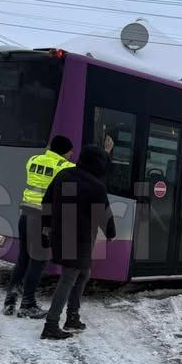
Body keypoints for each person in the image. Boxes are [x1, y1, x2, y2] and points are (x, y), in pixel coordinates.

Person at [40, 144, 115, 340]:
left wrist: (46, 224)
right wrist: (111, 233)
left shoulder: (64, 175)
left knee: (83, 273)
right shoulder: (95, 186)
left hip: (61, 234)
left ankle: (72, 316)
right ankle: (51, 324)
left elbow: (46, 201)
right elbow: (103, 215)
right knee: (69, 278)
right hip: (80, 239)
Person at [3, 135, 74, 318]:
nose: (72, 154)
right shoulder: (65, 167)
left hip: (25, 213)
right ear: (64, 151)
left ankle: (11, 298)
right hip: (43, 218)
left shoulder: (33, 160)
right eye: (70, 151)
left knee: (24, 257)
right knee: (39, 260)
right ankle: (28, 304)